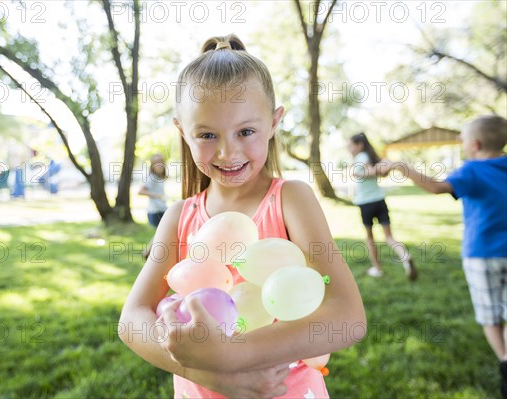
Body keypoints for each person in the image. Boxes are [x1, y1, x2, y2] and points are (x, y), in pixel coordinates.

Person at [119, 34, 366, 398]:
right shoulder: (178, 217)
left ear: (274, 122)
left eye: (246, 131)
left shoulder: (291, 200)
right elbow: (132, 320)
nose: (227, 151)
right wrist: (211, 375)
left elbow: (348, 316)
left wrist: (234, 355)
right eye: (206, 134)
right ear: (181, 132)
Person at [385, 115, 507, 397]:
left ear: (475, 144)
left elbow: (437, 187)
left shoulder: (472, 170)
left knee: (490, 315)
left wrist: (402, 167)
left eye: (462, 138)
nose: (460, 142)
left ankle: (503, 361)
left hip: (482, 254)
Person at [347, 132, 417, 280]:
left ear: (359, 145)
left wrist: (358, 173)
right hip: (379, 200)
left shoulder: (361, 157)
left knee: (370, 238)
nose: (348, 148)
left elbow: (370, 171)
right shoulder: (370, 157)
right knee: (389, 237)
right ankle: (405, 257)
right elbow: (377, 171)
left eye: (351, 145)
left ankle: (377, 269)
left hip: (366, 203)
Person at [139, 154, 169, 259]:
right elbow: (141, 191)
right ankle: (148, 253)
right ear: (152, 165)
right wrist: (157, 195)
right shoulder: (152, 178)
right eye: (156, 163)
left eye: (161, 162)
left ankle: (149, 253)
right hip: (155, 212)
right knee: (162, 234)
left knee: (161, 234)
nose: (159, 165)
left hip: (162, 209)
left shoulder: (159, 177)